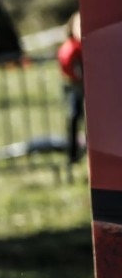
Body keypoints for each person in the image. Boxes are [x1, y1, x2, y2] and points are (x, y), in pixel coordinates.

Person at [57, 11, 84, 167]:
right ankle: (73, 154)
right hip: (73, 87)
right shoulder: (70, 48)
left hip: (86, 87)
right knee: (74, 117)